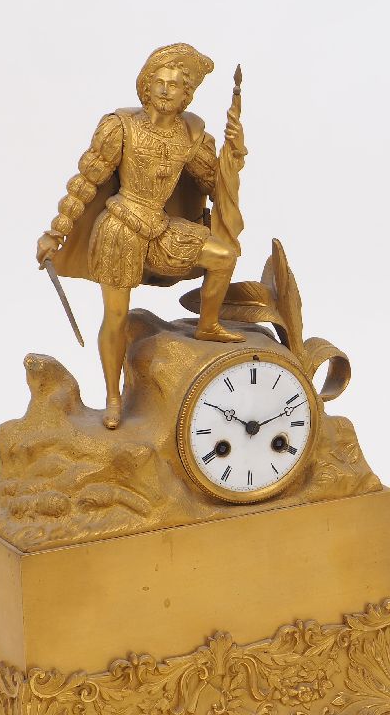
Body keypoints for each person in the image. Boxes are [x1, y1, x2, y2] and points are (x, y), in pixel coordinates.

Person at [36, 43, 244, 430]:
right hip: (120, 229)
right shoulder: (121, 127)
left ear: (187, 95)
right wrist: (55, 232)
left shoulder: (191, 136)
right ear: (146, 87)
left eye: (175, 85)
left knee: (224, 255)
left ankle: (207, 325)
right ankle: (113, 399)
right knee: (115, 317)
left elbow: (216, 185)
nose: (166, 90)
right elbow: (86, 181)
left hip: (161, 228)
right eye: (159, 82)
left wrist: (235, 150)